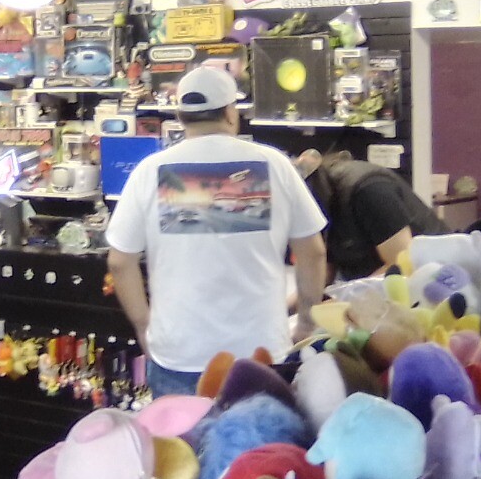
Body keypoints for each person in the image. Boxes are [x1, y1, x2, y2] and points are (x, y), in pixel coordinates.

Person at [107, 66, 328, 399]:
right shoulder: (276, 165)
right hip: (261, 351)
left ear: (181, 116)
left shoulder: (148, 171)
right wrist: (307, 321)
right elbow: (313, 251)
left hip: (179, 352)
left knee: (184, 436)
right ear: (230, 113)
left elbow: (120, 262)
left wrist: (144, 326)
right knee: (259, 433)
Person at [296, 148, 449, 281]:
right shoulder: (320, 203)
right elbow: (324, 269)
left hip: (434, 279)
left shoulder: (369, 190)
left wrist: (350, 295)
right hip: (382, 283)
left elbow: (401, 263)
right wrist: (294, 303)